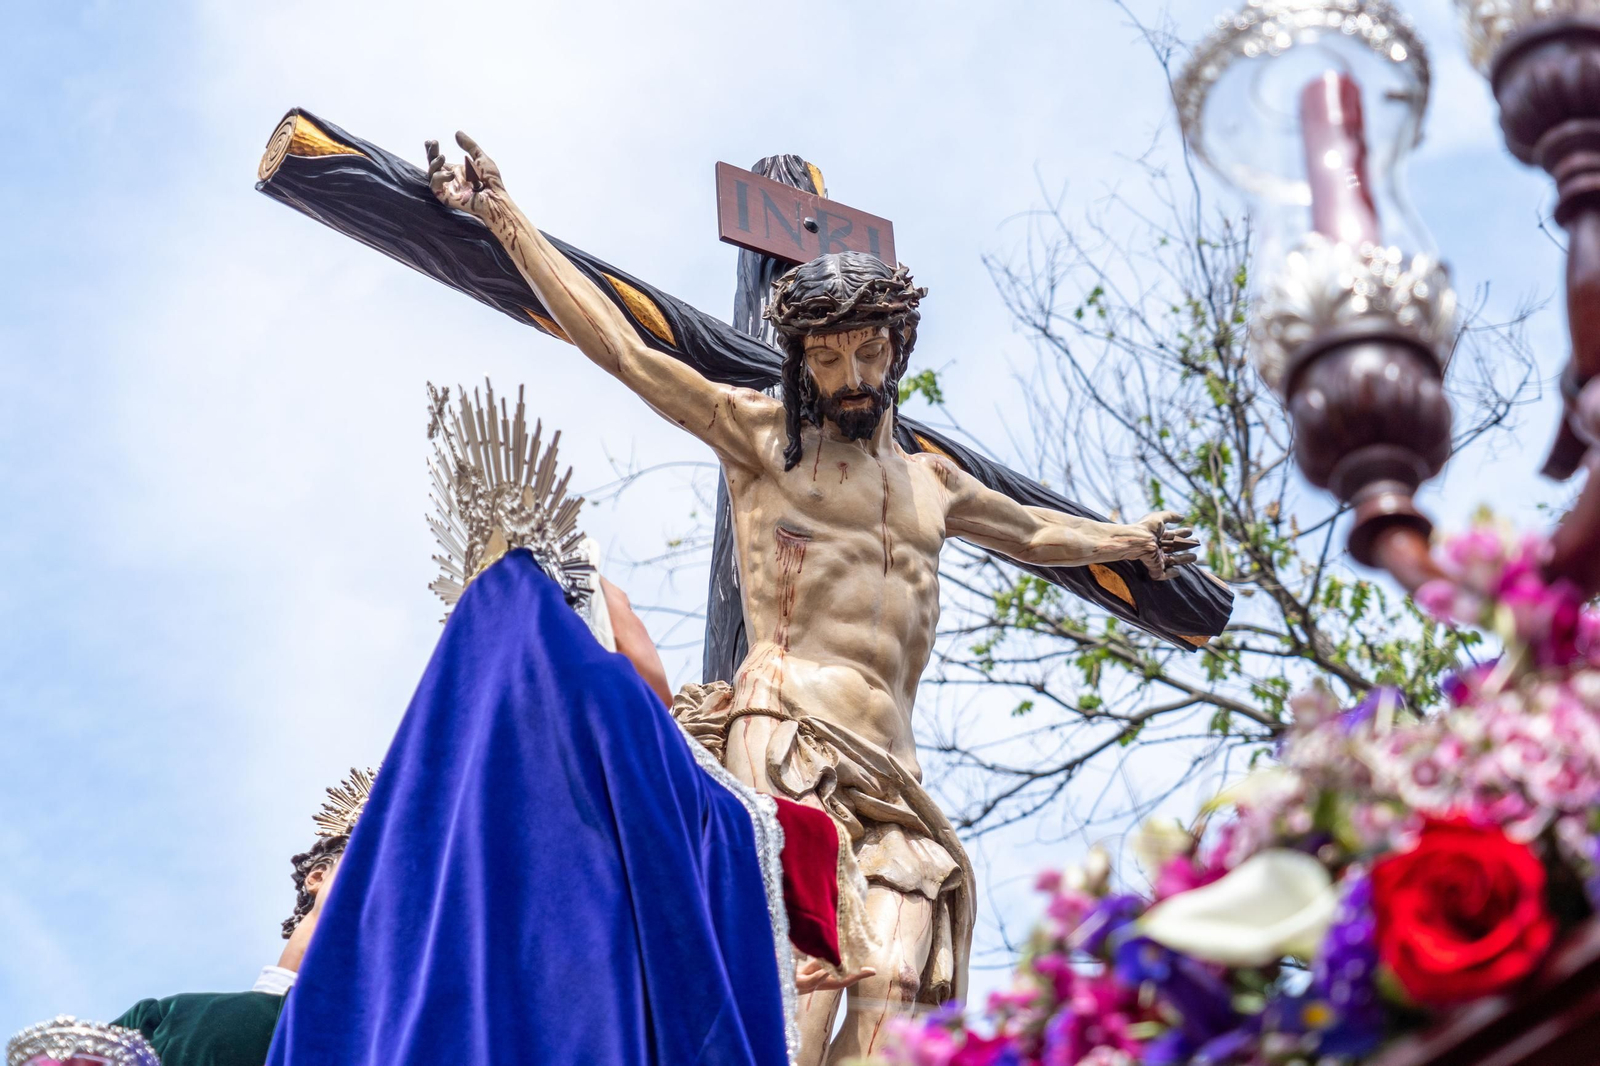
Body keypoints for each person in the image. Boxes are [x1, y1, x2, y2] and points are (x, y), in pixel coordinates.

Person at [424, 132, 1202, 1063]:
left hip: (898, 771)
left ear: (896, 350)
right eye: (827, 359)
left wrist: (1129, 542)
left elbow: (1036, 532)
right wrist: (503, 213)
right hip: (794, 734)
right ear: (798, 360)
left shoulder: (935, 484)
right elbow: (625, 352)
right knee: (808, 974)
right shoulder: (762, 442)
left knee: (895, 994)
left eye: (867, 352)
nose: (850, 379)